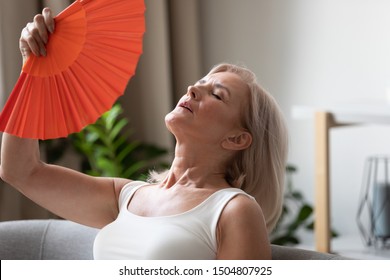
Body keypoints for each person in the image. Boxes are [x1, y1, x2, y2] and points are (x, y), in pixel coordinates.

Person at [0, 8, 288, 260]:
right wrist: (34, 68)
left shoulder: (233, 210)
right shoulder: (125, 197)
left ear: (237, 139)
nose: (192, 89)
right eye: (199, 83)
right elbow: (19, 170)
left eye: (216, 94)